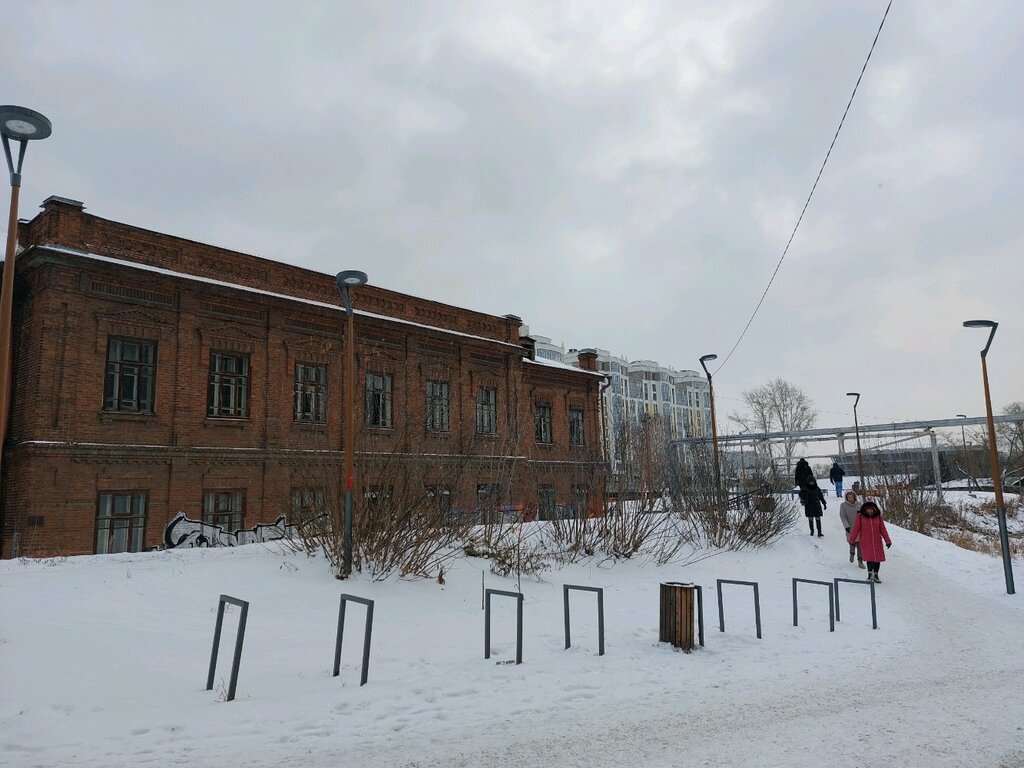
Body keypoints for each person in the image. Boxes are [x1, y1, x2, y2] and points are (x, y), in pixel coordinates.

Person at [849, 501, 892, 583]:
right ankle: (869, 575)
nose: (870, 511)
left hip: (877, 541)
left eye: (871, 509)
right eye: (868, 509)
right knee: (870, 558)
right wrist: (852, 540)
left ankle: (876, 575)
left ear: (874, 509)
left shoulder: (878, 517)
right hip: (866, 541)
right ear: (865, 509)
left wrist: (888, 541)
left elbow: (883, 529)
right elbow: (856, 529)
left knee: (877, 559)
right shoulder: (860, 517)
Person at [838, 490, 864, 568]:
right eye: (849, 497)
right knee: (852, 544)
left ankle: (860, 561)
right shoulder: (843, 505)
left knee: (860, 545)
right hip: (850, 528)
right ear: (846, 498)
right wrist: (846, 526)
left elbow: (863, 515)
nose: (850, 498)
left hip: (859, 528)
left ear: (854, 497)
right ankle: (852, 553)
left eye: (852, 497)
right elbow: (843, 516)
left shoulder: (859, 504)